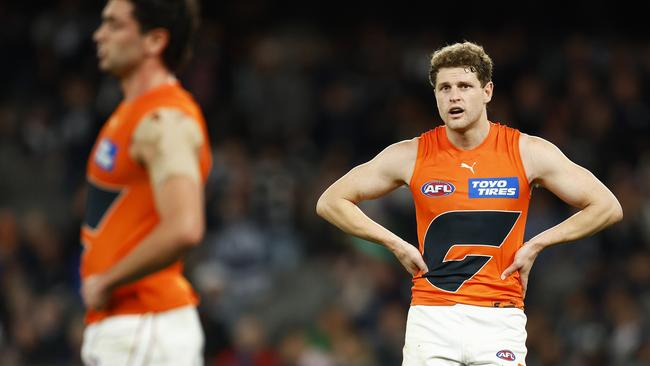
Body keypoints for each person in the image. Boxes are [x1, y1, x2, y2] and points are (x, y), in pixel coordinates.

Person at [316, 41, 623, 365]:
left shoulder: (526, 151)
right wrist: (395, 244)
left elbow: (607, 207)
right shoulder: (411, 154)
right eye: (444, 88)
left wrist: (537, 244)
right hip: (431, 318)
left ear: (487, 91)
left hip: (499, 318)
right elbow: (330, 201)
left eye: (464, 86)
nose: (454, 96)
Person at [79, 0, 211, 365]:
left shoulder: (165, 119)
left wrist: (106, 281)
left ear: (154, 41)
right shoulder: (131, 113)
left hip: (146, 323)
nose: (98, 35)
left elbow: (185, 228)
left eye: (114, 25)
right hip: (127, 326)